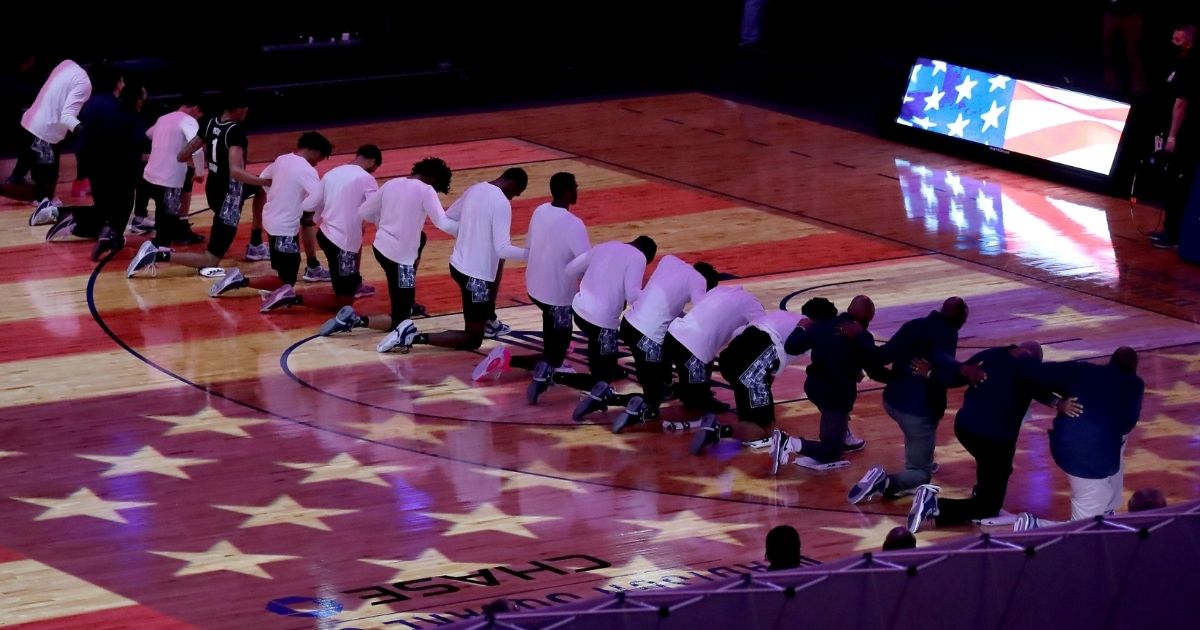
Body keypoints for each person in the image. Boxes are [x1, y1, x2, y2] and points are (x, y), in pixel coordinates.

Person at [905, 342, 1082, 533]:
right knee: (988, 505)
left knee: (994, 467)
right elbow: (1038, 388)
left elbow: (957, 376)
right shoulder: (1026, 368)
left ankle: (982, 490)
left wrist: (931, 373)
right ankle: (935, 505)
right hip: (994, 437)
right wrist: (1058, 403)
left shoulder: (990, 354)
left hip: (965, 427)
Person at [848, 297, 986, 504]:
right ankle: (883, 481)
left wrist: (860, 336)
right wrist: (962, 369)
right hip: (918, 411)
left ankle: (922, 459)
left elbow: (880, 356)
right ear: (960, 320)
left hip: (892, 401)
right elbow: (940, 357)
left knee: (916, 438)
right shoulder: (948, 332)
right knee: (920, 474)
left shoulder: (914, 324)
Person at [376, 168, 528, 353]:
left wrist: (469, 233)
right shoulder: (502, 203)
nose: (512, 197)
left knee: (497, 265)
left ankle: (488, 319)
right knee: (473, 339)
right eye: (515, 194)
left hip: (458, 266)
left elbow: (449, 217)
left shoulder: (476, 188)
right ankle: (411, 336)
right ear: (514, 184)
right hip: (476, 277)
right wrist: (532, 255)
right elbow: (502, 248)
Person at [127, 91, 270, 274]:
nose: (246, 114)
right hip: (229, 198)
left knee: (259, 190)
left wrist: (200, 166)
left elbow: (182, 155)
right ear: (238, 109)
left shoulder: (210, 123)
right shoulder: (235, 132)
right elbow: (235, 171)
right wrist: (265, 180)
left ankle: (256, 244)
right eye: (245, 110)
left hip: (214, 189)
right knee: (211, 259)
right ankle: (156, 254)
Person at [318, 157, 457, 339]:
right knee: (401, 321)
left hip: (382, 249)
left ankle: (406, 302)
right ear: (433, 179)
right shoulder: (426, 189)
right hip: (401, 257)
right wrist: (468, 230)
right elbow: (443, 223)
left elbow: (364, 211)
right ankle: (354, 321)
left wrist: (386, 223)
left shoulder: (392, 183)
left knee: (417, 244)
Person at [472, 172, 590, 381]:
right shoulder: (574, 224)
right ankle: (508, 360)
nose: (577, 190)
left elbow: (530, 246)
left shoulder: (540, 210)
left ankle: (555, 356)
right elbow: (584, 265)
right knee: (554, 356)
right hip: (558, 296)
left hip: (536, 287)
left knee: (552, 332)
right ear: (567, 191)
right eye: (575, 187)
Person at [1013, 347, 1144, 531]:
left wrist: (1056, 402)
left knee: (1118, 439)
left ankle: (1106, 512)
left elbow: (1032, 373)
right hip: (1085, 456)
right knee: (1084, 529)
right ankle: (1033, 526)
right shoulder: (1135, 385)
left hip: (1066, 443)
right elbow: (1127, 424)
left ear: (1110, 362)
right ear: (1134, 368)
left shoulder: (1083, 370)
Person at [528, 236, 657, 418]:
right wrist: (651, 297)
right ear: (648, 255)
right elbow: (632, 293)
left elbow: (571, 269)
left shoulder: (606, 245)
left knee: (602, 359)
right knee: (602, 379)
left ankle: (569, 374)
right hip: (603, 322)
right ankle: (551, 376)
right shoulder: (639, 258)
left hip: (580, 311)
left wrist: (597, 282)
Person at [206, 132, 333, 311]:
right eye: (319, 158)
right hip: (285, 228)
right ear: (314, 150)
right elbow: (318, 196)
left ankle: (247, 282)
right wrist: (307, 210)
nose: (317, 163)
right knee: (287, 281)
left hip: (271, 220)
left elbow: (264, 179)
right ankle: (240, 280)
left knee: (283, 271)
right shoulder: (307, 169)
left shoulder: (282, 159)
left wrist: (278, 195)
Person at [772, 295, 886, 474]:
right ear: (868, 319)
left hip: (814, 387)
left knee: (834, 416)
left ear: (848, 308)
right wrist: (899, 379)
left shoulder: (822, 325)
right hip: (836, 394)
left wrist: (801, 327)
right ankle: (790, 443)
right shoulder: (862, 335)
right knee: (831, 452)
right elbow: (875, 369)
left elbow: (791, 346)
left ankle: (844, 435)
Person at [610, 257, 719, 433]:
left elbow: (664, 306)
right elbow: (702, 311)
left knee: (666, 348)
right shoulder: (698, 280)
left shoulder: (669, 261)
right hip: (648, 338)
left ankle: (666, 384)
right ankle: (616, 403)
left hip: (629, 325)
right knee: (653, 399)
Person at [46, 78, 146, 262]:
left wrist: (83, 168)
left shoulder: (99, 106)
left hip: (95, 166)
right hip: (120, 170)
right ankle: (89, 227)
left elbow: (88, 136)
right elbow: (139, 145)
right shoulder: (133, 119)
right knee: (119, 210)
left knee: (104, 209)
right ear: (138, 99)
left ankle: (77, 220)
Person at [690, 307, 804, 456]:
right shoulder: (812, 332)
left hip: (730, 359)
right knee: (766, 431)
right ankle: (718, 431)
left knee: (752, 417)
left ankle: (729, 428)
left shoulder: (784, 316)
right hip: (753, 370)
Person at [125, 93, 206, 275]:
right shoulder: (188, 121)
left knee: (164, 220)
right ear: (194, 109)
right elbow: (197, 146)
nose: (198, 117)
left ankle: (155, 247)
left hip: (149, 177)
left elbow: (148, 134)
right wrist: (200, 172)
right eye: (199, 114)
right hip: (169, 181)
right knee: (167, 227)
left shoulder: (163, 119)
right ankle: (151, 253)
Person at [661, 285, 766, 418]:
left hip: (672, 335)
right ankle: (696, 396)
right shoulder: (753, 305)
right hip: (694, 351)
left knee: (703, 360)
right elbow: (764, 328)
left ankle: (686, 389)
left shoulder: (721, 290)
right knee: (697, 403)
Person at [16, 58, 91, 224]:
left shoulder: (66, 64)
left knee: (41, 171)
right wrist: (87, 133)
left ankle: (35, 192)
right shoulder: (85, 84)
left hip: (30, 122)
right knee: (47, 177)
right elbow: (67, 117)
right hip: (44, 132)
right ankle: (42, 202)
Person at [1152, 23, 1198, 249]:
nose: (1172, 44)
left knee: (1178, 183)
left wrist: (1172, 137)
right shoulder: (1177, 63)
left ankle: (1173, 234)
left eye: (1178, 40)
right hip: (1175, 130)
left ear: (1190, 41)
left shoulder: (1189, 64)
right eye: (1172, 39)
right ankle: (1170, 229)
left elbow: (1181, 104)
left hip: (1185, 135)